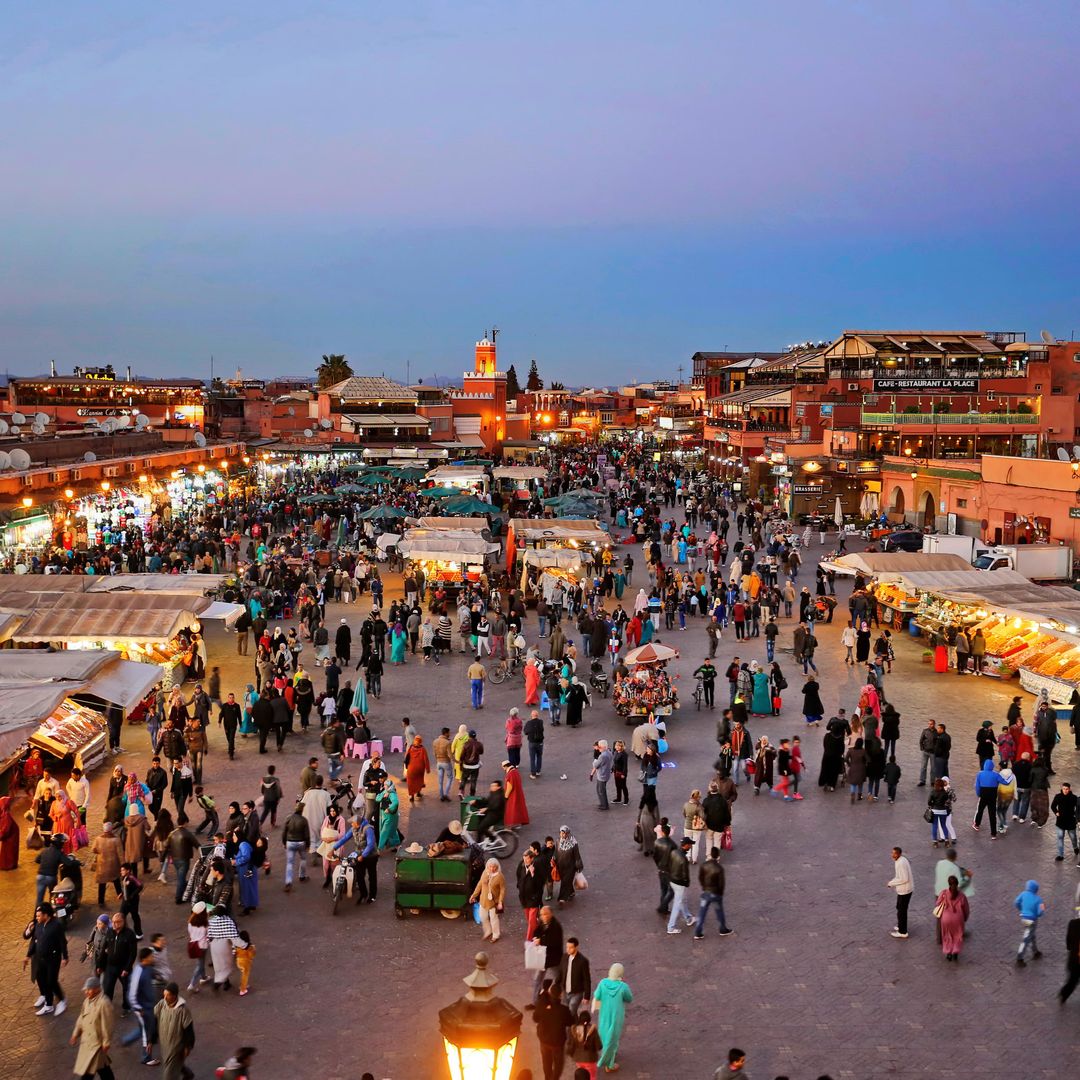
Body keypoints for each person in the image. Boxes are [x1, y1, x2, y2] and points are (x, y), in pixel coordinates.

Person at [25, 902, 68, 1016]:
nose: (37, 918)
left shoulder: (56, 925)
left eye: (39, 916)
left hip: (53, 959)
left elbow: (62, 942)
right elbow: (35, 940)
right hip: (40, 958)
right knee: (43, 980)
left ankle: (62, 1000)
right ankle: (48, 1005)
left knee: (51, 981)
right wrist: (28, 955)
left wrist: (65, 957)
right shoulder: (38, 925)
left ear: (46, 915)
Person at [69, 976, 115, 1080]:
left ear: (97, 989)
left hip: (97, 1044)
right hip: (87, 1042)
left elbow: (107, 1024)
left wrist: (106, 1042)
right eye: (86, 990)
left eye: (89, 990)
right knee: (103, 1069)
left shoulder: (104, 1003)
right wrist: (75, 1034)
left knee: (88, 1072)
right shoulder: (86, 1001)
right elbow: (81, 1018)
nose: (86, 992)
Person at [592, 963, 633, 1074]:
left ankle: (608, 1055)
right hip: (617, 1015)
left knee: (605, 1034)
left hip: (604, 1014)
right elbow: (629, 998)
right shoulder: (623, 986)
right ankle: (609, 1064)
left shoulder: (602, 983)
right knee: (613, 1037)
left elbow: (597, 995)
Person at [153, 982, 195, 1080]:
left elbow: (189, 1030)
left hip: (176, 1046)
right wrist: (151, 1039)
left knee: (169, 1074)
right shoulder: (161, 1004)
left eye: (168, 995)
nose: (165, 998)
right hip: (164, 1044)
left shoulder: (183, 1011)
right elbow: (154, 1020)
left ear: (174, 996)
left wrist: (187, 1046)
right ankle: (188, 1074)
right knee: (172, 1064)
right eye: (164, 995)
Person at [533, 982, 574, 1080]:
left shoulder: (542, 1006)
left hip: (544, 1039)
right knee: (558, 1064)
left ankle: (547, 1077)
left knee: (546, 1062)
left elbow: (535, 1018)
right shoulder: (563, 1010)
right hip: (557, 1042)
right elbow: (570, 1022)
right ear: (560, 995)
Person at [470, 857, 506, 942]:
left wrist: (500, 901)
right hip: (483, 900)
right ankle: (488, 931)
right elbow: (480, 884)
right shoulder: (485, 873)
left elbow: (502, 889)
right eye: (490, 866)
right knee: (483, 917)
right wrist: (474, 895)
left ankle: (496, 934)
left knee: (494, 919)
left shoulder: (500, 876)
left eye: (494, 867)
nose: (492, 868)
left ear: (497, 867)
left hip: (494, 902)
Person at [935, 874, 970, 961]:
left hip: (946, 919)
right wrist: (965, 918)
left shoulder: (944, 893)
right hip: (958, 919)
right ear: (957, 884)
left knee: (947, 935)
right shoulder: (962, 896)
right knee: (957, 936)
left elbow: (938, 903)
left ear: (949, 884)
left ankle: (948, 952)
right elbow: (966, 909)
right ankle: (955, 951)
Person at [557, 938, 593, 1018]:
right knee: (567, 1011)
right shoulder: (564, 957)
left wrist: (586, 996)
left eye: (571, 947)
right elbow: (560, 972)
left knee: (571, 1009)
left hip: (577, 992)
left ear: (576, 947)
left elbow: (586, 979)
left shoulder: (583, 961)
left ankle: (568, 1029)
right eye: (567, 947)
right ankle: (575, 1024)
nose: (568, 949)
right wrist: (556, 986)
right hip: (565, 991)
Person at [1014, 878, 1045, 966]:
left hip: (1023, 919)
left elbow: (1016, 902)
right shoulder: (1039, 899)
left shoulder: (1023, 894)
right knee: (1026, 938)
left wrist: (1021, 909)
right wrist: (1037, 914)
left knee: (1032, 935)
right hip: (1032, 920)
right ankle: (1020, 957)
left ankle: (1035, 951)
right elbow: (1041, 912)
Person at [886, 846, 913, 939]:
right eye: (892, 853)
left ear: (899, 854)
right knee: (899, 908)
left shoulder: (900, 863)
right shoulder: (901, 860)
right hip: (905, 890)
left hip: (905, 890)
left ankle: (903, 931)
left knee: (902, 910)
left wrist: (891, 883)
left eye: (894, 853)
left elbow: (904, 878)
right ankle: (900, 925)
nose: (892, 855)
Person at [1051, 782, 1079, 863]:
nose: (1065, 790)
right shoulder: (1058, 796)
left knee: (1073, 837)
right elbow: (1053, 806)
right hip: (1060, 822)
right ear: (1062, 789)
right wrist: (1056, 812)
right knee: (1060, 837)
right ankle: (1060, 855)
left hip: (1071, 821)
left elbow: (1078, 808)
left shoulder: (1074, 798)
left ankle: (1075, 847)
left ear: (1069, 789)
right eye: (1064, 789)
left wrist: (1076, 817)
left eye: (1067, 789)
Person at [1060, 909, 1080, 1005]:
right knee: (1073, 980)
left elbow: (1068, 939)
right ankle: (1064, 993)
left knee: (1073, 980)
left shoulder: (1072, 923)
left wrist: (1069, 948)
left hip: (1074, 960)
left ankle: (1064, 994)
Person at [404, 736, 431, 803]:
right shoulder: (422, 749)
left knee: (411, 782)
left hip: (411, 768)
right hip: (420, 769)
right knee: (419, 781)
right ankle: (418, 793)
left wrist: (406, 766)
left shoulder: (410, 748)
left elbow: (406, 757)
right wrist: (427, 769)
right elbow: (426, 759)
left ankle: (411, 796)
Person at [591, 741, 613, 810]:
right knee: (599, 789)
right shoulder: (609, 752)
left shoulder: (602, 756)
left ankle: (604, 805)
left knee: (601, 790)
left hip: (602, 775)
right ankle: (603, 803)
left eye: (599, 747)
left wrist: (595, 760)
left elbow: (596, 765)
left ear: (603, 747)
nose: (598, 749)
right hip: (606, 774)